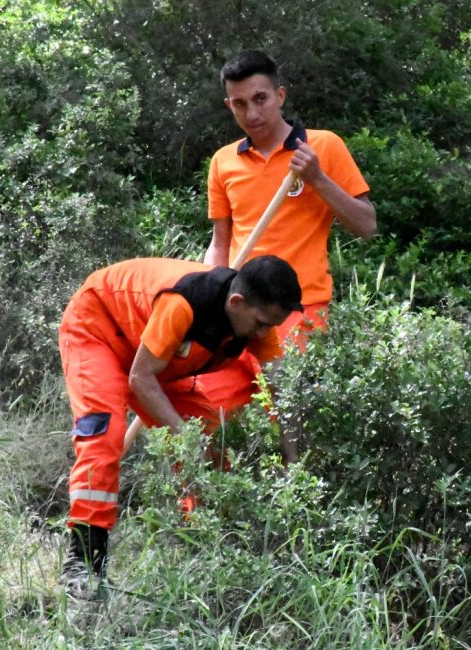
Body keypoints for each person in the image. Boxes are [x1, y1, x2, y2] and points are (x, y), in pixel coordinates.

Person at [57, 255, 302, 599]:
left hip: (151, 358)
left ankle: (203, 546)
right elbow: (141, 378)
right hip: (99, 330)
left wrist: (293, 461)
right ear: (237, 302)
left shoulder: (254, 316)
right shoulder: (184, 304)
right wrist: (186, 438)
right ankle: (83, 561)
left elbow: (284, 391)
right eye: (261, 323)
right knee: (104, 436)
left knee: (212, 439)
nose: (265, 333)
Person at [196, 50, 376, 458]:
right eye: (239, 103)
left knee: (292, 422)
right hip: (236, 310)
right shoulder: (224, 161)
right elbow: (221, 242)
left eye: (259, 98)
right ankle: (206, 517)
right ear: (229, 106)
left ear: (280, 95)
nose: (251, 112)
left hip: (298, 309)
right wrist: (206, 298)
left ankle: (298, 509)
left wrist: (316, 178)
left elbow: (366, 225)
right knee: (206, 414)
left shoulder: (322, 147)